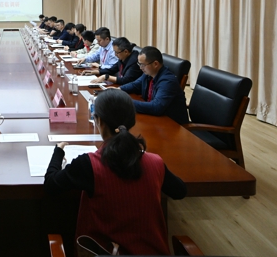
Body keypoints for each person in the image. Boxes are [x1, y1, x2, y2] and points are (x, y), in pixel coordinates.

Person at [44, 89, 186, 255]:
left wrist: (58, 152)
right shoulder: (156, 162)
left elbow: (50, 185)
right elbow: (180, 191)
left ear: (99, 121)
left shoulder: (88, 165)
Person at [119, 46, 189, 124]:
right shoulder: (149, 74)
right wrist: (118, 90)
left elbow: (156, 107)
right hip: (156, 118)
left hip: (172, 124)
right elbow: (135, 85)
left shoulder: (168, 81)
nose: (140, 68)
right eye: (139, 64)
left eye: (143, 65)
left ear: (155, 64)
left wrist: (125, 102)